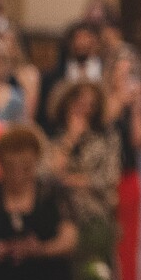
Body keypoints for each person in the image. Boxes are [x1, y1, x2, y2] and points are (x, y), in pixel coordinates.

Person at [0, 125, 78, 280]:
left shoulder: (53, 194)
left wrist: (41, 249)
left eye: (25, 168)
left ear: (36, 162)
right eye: (10, 167)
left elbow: (69, 240)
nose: (17, 175)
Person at [48, 79, 120, 245]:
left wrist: (75, 180)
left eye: (90, 105)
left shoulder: (106, 139)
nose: (83, 109)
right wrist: (71, 139)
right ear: (67, 103)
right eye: (79, 103)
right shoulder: (55, 137)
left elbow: (109, 178)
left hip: (93, 213)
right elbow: (48, 175)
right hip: (59, 214)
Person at [105, 59, 141, 280]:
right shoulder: (101, 102)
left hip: (128, 177)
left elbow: (140, 142)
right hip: (104, 180)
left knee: (129, 242)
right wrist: (119, 100)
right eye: (119, 73)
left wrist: (135, 110)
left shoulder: (135, 105)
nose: (125, 79)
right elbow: (104, 122)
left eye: (129, 74)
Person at [37, 22, 103, 133]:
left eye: (86, 38)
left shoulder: (106, 74)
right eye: (78, 38)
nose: (82, 43)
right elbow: (44, 117)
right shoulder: (51, 78)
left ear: (95, 43)